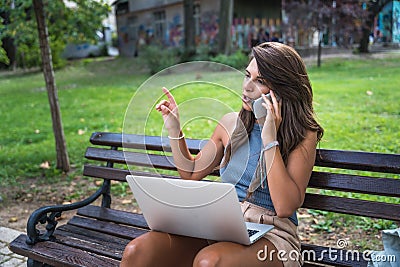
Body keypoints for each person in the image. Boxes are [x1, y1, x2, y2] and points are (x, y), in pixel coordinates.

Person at [121, 42, 324, 267]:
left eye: (260, 81)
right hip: (222, 225)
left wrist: (270, 138)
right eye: (247, 75)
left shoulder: (303, 134)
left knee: (210, 262)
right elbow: (190, 173)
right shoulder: (230, 124)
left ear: (283, 89)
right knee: (137, 251)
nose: (247, 87)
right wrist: (174, 128)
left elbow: (285, 207)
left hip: (273, 236)